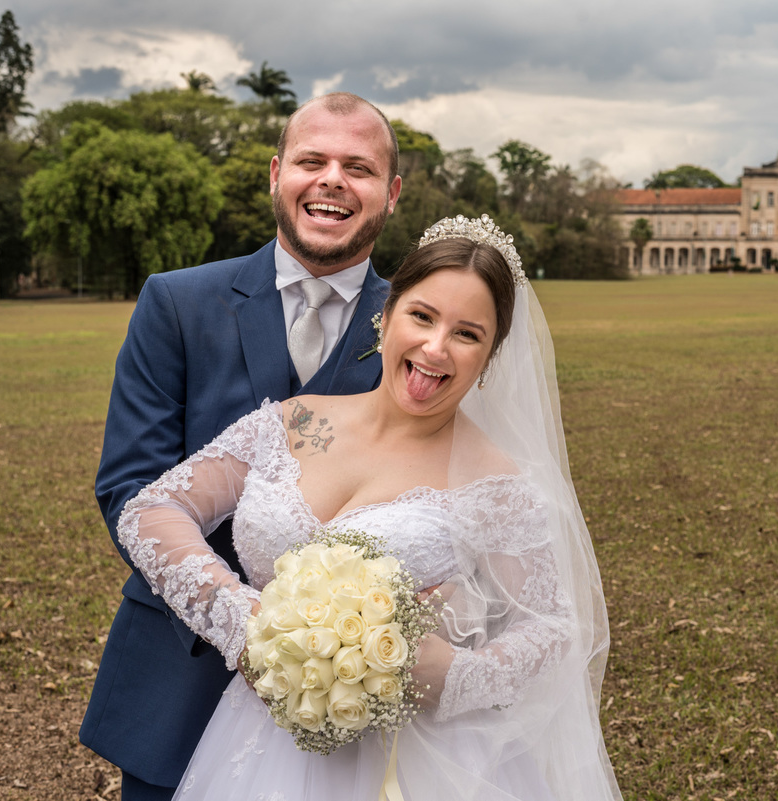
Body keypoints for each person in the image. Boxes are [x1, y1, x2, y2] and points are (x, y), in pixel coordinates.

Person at [114, 216, 622, 800]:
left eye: (467, 333)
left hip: (413, 763)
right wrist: (244, 625)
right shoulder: (294, 422)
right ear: (387, 315)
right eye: (422, 316)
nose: (435, 348)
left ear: (490, 355)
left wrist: (457, 676)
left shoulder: (497, 484)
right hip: (258, 743)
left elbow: (557, 628)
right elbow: (151, 510)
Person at [80, 92, 403, 801]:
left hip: (355, 703)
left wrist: (353, 648)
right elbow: (130, 487)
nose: (332, 180)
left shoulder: (422, 330)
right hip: (179, 681)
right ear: (275, 173)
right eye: (311, 160)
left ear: (392, 192)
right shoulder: (176, 302)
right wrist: (247, 629)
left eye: (359, 166)